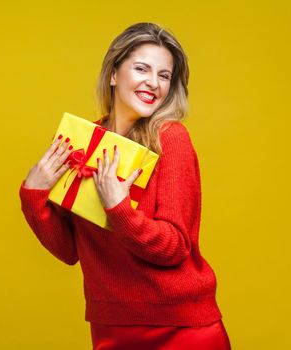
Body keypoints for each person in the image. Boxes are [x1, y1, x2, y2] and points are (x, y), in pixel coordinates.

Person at [19, 22, 231, 350]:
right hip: (111, 326)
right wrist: (33, 195)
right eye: (142, 68)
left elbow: (175, 248)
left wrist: (120, 209)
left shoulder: (170, 139)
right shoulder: (82, 141)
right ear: (114, 73)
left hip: (180, 327)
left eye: (164, 75)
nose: (153, 83)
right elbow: (70, 251)